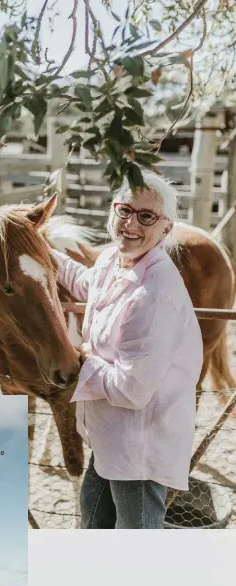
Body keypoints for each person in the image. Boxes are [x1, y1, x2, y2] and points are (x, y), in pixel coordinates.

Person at [53, 170, 203, 528]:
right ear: (113, 212)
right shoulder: (111, 261)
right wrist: (40, 250)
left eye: (146, 216)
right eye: (125, 211)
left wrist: (83, 359)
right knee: (93, 525)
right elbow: (87, 283)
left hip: (140, 446)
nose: (131, 224)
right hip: (109, 436)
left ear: (165, 229)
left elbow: (131, 390)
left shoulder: (154, 295)